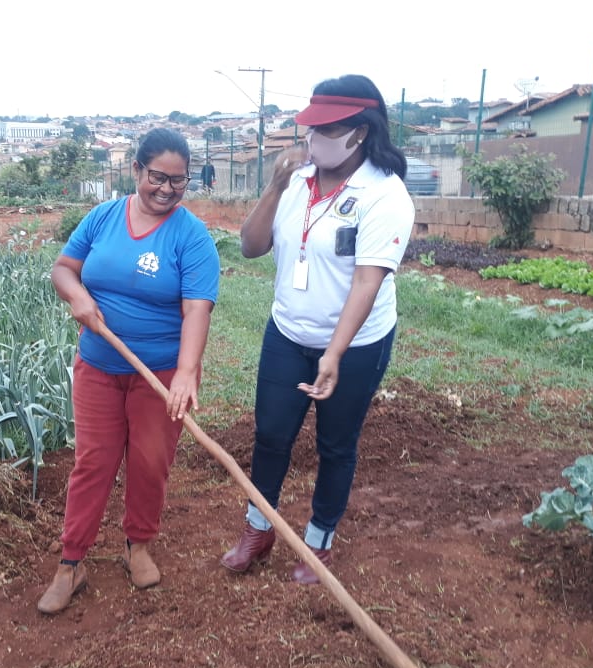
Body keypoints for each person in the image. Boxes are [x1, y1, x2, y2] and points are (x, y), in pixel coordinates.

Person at [220, 74, 415, 584]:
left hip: (354, 345)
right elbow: (250, 246)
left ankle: (318, 543)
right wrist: (276, 183)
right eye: (311, 129)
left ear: (361, 133)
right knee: (271, 435)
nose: (314, 139)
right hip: (288, 332)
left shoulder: (384, 195)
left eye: (328, 130)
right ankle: (258, 528)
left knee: (335, 444)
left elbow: (368, 281)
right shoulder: (298, 181)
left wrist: (334, 353)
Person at [38, 128, 220, 615]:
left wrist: (185, 373)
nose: (166, 189)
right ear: (137, 170)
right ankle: (71, 561)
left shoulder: (192, 237)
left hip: (159, 373)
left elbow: (198, 310)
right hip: (98, 364)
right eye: (157, 177)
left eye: (179, 182)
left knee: (149, 460)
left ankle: (138, 545)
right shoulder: (102, 217)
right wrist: (76, 295)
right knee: (93, 461)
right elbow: (63, 268)